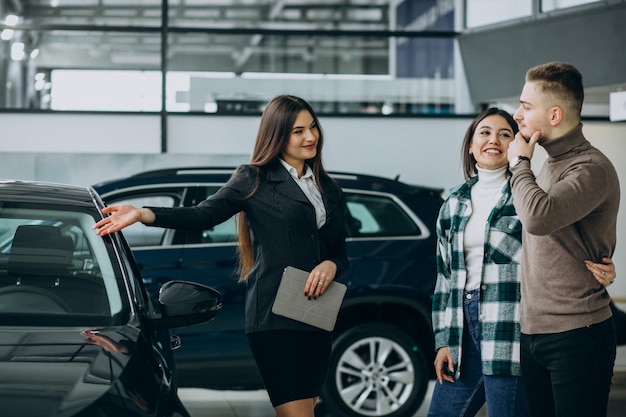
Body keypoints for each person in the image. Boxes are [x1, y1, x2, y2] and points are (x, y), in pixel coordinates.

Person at [93, 94, 349, 417]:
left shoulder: (329, 190)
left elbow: (340, 254)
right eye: (298, 131)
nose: (310, 137)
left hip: (316, 315)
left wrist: (331, 264)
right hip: (275, 317)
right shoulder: (253, 179)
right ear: (277, 135)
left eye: (312, 127)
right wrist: (143, 213)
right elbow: (202, 215)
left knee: (307, 408)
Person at [428, 107, 616, 417]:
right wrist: (442, 341)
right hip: (461, 335)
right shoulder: (453, 202)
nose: (494, 140)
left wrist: (601, 269)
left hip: (510, 329)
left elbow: (563, 252)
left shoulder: (530, 195)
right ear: (471, 145)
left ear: (517, 144)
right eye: (485, 133)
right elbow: (444, 279)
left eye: (506, 134)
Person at [507, 61, 620, 417]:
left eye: (526, 106)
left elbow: (539, 218)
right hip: (535, 331)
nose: (517, 115)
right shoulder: (550, 161)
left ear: (554, 115)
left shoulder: (590, 168)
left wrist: (518, 164)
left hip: (577, 334)